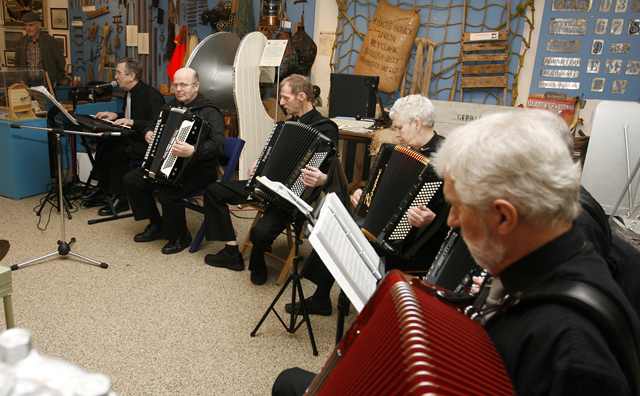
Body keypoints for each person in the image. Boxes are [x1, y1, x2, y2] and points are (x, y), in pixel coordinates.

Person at [272, 109, 640, 396]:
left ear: (503, 216)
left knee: (290, 383)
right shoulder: (536, 265)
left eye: (459, 209)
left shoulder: (573, 354)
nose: (452, 223)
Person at [286, 94, 448, 316]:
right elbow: (383, 188)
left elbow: (460, 215)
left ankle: (360, 306)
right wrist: (364, 193)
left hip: (424, 240)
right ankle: (321, 297)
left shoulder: (449, 158)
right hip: (386, 228)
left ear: (417, 124)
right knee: (340, 231)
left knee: (351, 239)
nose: (396, 134)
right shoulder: (401, 150)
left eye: (400, 128)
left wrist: (431, 220)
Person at [202, 74, 340, 285]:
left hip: (293, 194)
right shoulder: (289, 124)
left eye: (285, 97)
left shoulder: (326, 128)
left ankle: (257, 263)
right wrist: (259, 161)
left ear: (302, 96)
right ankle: (231, 250)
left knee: (260, 232)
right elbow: (274, 151)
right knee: (214, 190)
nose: (281, 102)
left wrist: (322, 177)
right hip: (267, 184)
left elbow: (331, 169)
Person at [123, 67, 225, 254]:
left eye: (184, 85)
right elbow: (153, 123)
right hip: (168, 163)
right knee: (133, 180)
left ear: (196, 86)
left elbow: (219, 145)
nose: (178, 89)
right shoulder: (170, 106)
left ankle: (180, 235)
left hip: (199, 169)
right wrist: (148, 131)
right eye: (176, 84)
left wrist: (193, 151)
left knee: (168, 193)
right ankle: (157, 224)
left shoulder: (210, 111)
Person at [81, 58, 166, 216]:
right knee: (104, 142)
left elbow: (156, 124)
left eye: (119, 73)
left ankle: (121, 199)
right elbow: (129, 117)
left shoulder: (151, 95)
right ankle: (103, 187)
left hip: (146, 142)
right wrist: (115, 115)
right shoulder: (128, 93)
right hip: (132, 137)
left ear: (132, 76)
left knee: (118, 149)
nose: (116, 77)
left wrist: (132, 122)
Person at [13, 12, 66, 86]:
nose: (28, 28)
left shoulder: (50, 41)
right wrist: (20, 78)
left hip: (46, 83)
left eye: (31, 25)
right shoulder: (22, 41)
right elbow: (17, 63)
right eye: (26, 25)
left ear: (39, 25)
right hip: (27, 82)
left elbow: (61, 62)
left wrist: (56, 79)